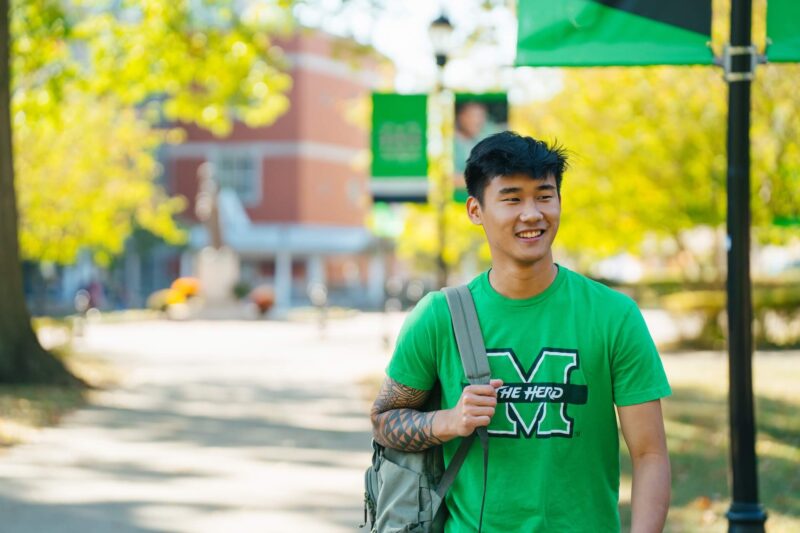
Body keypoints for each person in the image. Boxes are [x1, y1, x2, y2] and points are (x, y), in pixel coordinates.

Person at [371, 131, 671, 532]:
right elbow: (384, 420)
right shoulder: (439, 316)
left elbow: (650, 454)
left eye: (544, 196)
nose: (531, 213)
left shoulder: (613, 315)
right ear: (475, 210)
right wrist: (448, 421)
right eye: (512, 198)